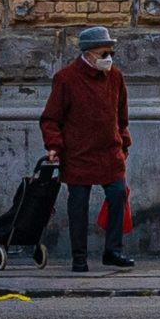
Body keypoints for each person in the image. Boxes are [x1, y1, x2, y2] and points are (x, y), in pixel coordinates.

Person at [38, 26, 131, 272]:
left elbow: (121, 117)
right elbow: (50, 118)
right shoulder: (66, 78)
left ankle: (113, 250)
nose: (108, 58)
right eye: (104, 53)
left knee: (117, 195)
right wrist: (54, 145)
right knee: (78, 204)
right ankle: (79, 257)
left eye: (110, 53)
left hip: (110, 152)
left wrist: (124, 142)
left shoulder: (116, 77)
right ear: (88, 54)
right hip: (79, 153)